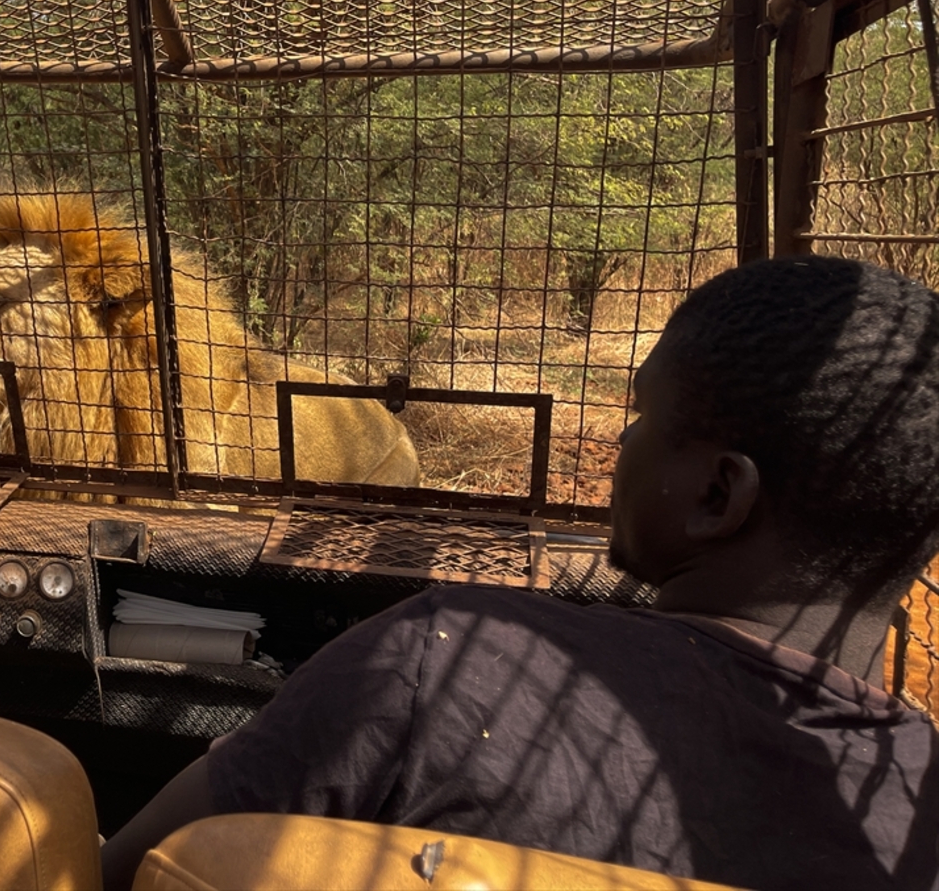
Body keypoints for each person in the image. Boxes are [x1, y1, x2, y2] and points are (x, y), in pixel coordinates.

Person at [102, 256, 939, 891]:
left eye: (642, 415)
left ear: (717, 494)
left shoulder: (443, 655)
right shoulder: (918, 805)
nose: (620, 444)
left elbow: (130, 870)